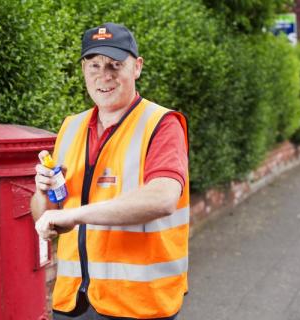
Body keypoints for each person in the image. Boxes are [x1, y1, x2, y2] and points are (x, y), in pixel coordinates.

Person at [31, 22, 189, 320]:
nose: (104, 76)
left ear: (137, 67)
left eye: (116, 65)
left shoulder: (161, 124)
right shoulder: (71, 127)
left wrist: (75, 215)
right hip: (73, 303)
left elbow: (164, 198)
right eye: (94, 65)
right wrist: (42, 194)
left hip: (139, 305)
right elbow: (48, 216)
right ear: (83, 70)